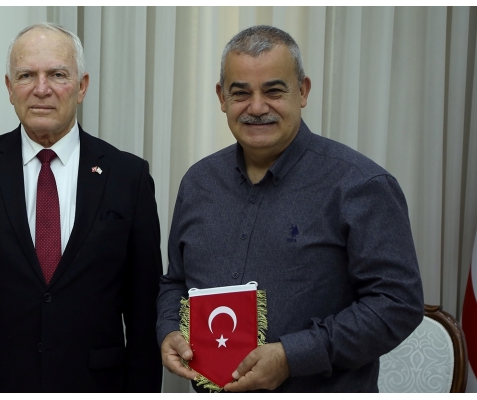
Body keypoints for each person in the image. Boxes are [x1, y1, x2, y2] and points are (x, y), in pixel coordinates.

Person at [157, 25, 424, 392]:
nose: (256, 107)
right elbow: (176, 282)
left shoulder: (361, 185)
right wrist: (170, 328)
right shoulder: (199, 182)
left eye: (273, 91)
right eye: (241, 93)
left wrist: (292, 356)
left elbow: (397, 304)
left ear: (303, 91)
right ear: (221, 97)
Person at [0, 22, 162, 392]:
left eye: (57, 74)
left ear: (82, 86)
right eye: (26, 75)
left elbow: (145, 312)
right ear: (9, 88)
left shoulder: (128, 177)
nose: (41, 89)